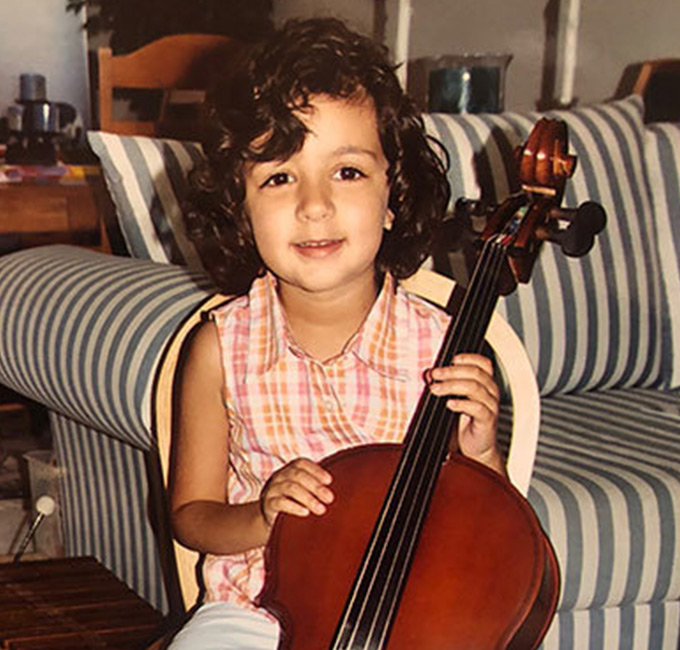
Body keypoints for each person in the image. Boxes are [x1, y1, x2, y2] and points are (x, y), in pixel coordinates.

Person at [168, 16, 504, 649]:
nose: (314, 204)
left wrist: (482, 448)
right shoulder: (218, 347)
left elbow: (492, 533)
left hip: (412, 614)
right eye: (278, 177)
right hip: (260, 612)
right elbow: (193, 517)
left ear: (392, 195)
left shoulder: (443, 348)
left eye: (346, 172)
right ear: (239, 209)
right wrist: (262, 516)